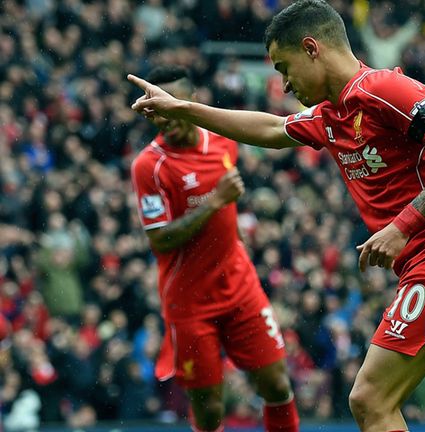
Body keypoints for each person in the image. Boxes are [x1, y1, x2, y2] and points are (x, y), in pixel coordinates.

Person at [127, 2, 425, 431]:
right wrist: (185, 109)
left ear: (312, 47)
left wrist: (401, 227)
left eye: (284, 67)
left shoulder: (381, 89)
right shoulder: (332, 115)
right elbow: (273, 129)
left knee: (369, 400)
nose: (284, 83)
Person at [129, 65, 299, 432]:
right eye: (156, 109)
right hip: (189, 303)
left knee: (278, 385)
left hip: (239, 286)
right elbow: (159, 238)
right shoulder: (149, 166)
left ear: (191, 101)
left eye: (172, 103)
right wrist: (213, 202)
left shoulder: (223, 140)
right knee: (209, 413)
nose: (165, 115)